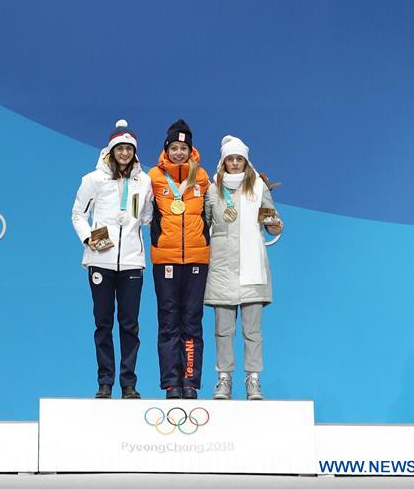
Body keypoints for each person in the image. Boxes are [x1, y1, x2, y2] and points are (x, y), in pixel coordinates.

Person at [71, 119, 153, 399]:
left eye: (129, 149)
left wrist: (134, 224)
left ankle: (128, 383)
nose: (125, 153)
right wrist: (87, 237)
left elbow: (146, 216)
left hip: (132, 262)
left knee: (130, 325)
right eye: (120, 148)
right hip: (100, 261)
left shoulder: (144, 181)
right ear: (110, 150)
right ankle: (105, 382)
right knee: (103, 323)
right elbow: (77, 214)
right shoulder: (92, 180)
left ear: (134, 152)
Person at [204, 135, 284, 401]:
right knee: (223, 330)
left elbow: (272, 219)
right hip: (222, 268)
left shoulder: (259, 187)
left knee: (252, 331)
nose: (235, 163)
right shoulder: (213, 189)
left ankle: (253, 380)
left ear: (246, 162)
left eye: (239, 159)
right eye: (231, 159)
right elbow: (203, 225)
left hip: (252, 267)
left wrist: (275, 224)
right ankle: (223, 379)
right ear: (223, 161)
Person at [149, 119, 210, 399]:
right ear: (166, 148)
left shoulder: (202, 178)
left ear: (190, 150)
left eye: (183, 148)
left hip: (197, 259)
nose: (178, 153)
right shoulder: (154, 178)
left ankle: (190, 380)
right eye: (174, 148)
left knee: (192, 320)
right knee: (169, 321)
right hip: (166, 260)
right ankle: (172, 382)